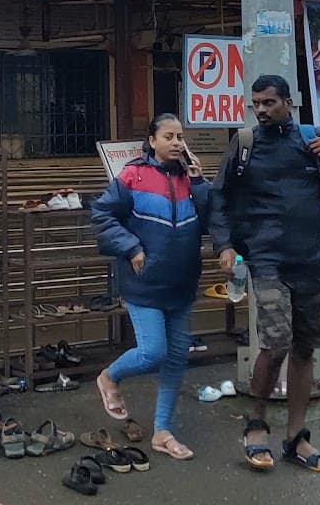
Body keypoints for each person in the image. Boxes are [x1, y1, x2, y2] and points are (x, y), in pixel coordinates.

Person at [208, 75, 320, 474]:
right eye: (256, 104)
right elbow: (219, 198)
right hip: (267, 261)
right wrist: (224, 245)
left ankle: (297, 437)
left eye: (269, 103)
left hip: (314, 260)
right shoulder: (245, 144)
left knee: (305, 348)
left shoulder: (311, 138)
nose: (261, 110)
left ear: (288, 103)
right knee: (276, 342)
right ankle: (256, 424)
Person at [90, 114, 211, 461]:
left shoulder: (191, 178)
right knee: (153, 352)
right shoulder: (133, 175)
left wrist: (200, 183)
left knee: (176, 358)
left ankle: (163, 431)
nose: (176, 143)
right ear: (152, 140)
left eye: (180, 137)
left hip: (182, 282)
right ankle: (109, 377)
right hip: (144, 283)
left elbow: (212, 217)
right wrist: (131, 247)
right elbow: (102, 215)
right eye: (168, 137)